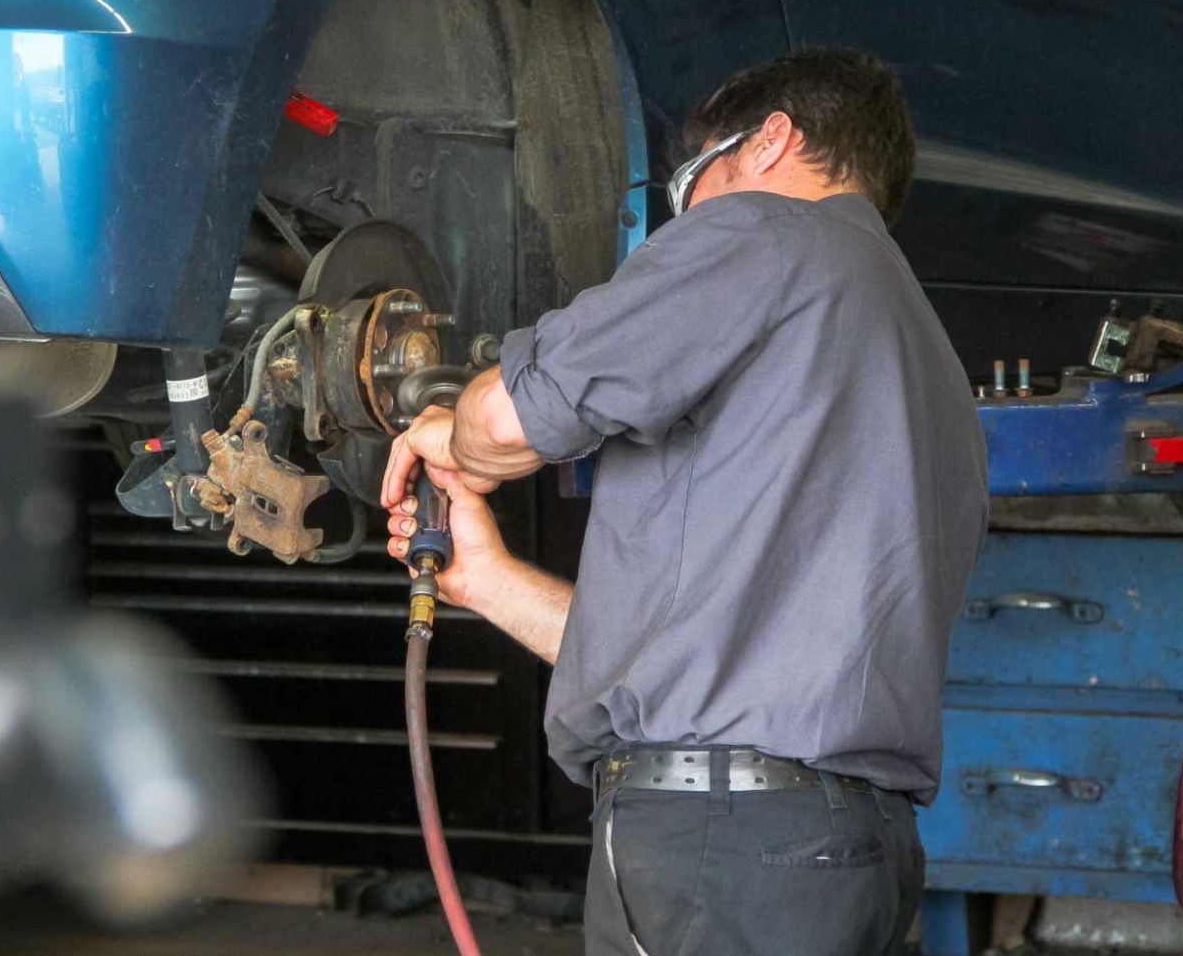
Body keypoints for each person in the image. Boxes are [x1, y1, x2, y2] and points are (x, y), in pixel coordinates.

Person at [380, 48, 988, 956]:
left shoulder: (765, 233)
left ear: (773, 140)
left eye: (693, 180)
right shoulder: (928, 360)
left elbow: (510, 419)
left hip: (725, 845)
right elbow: (698, 661)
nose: (686, 217)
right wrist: (491, 578)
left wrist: (452, 429)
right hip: (848, 855)